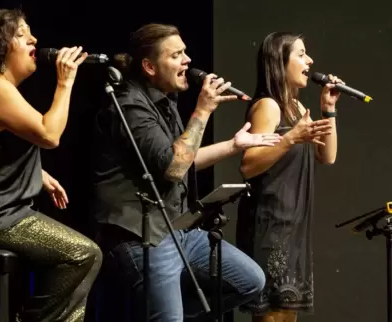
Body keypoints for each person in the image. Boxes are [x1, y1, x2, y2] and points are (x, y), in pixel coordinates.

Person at [91, 23, 282, 321]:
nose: (187, 61)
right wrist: (203, 111)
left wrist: (234, 145)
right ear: (149, 66)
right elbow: (174, 166)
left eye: (185, 52)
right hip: (144, 236)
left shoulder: (165, 102)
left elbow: (183, 159)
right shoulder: (130, 107)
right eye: (177, 55)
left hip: (177, 230)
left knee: (250, 282)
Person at [0, 9, 102, 322]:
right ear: (0, 45)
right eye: (22, 34)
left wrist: (39, 174)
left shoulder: (1, 88)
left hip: (4, 213)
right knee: (83, 254)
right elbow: (49, 134)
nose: (34, 39)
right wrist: (65, 82)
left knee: (79, 264)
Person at [236, 32, 342, 322]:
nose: (310, 60)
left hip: (293, 224)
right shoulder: (269, 106)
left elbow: (327, 156)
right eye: (301, 54)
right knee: (271, 314)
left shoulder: (297, 109)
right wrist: (290, 138)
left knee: (287, 312)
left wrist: (328, 110)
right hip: (270, 224)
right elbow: (248, 165)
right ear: (279, 63)